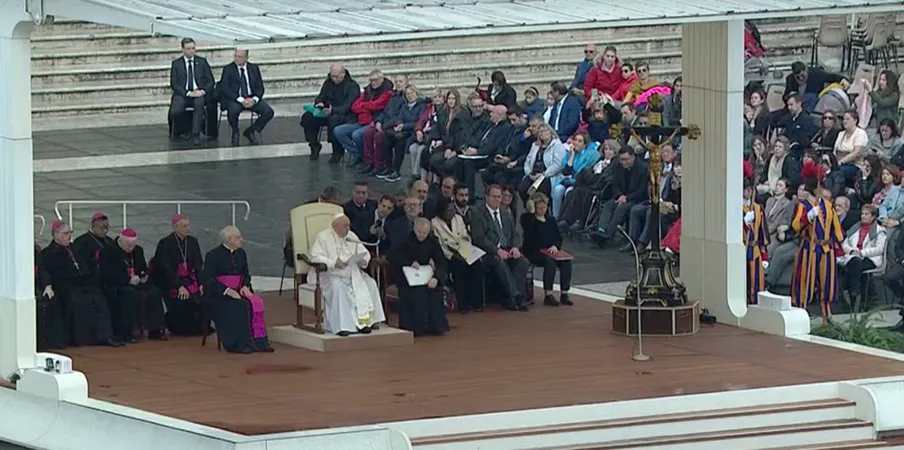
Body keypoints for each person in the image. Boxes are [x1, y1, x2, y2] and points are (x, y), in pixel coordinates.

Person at [40, 220, 121, 347]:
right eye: (65, 233)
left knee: (99, 299)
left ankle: (105, 336)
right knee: (78, 301)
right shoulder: (47, 253)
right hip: (64, 285)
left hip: (82, 283)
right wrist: (47, 285)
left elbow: (86, 265)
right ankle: (80, 338)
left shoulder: (76, 248)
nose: (69, 236)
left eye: (70, 233)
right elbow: (44, 270)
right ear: (56, 234)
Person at [308, 214, 387, 336]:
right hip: (330, 274)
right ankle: (342, 326)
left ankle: (368, 322)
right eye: (345, 226)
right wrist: (333, 262)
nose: (348, 228)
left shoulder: (350, 236)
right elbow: (314, 256)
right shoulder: (322, 237)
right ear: (335, 226)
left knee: (370, 283)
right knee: (338, 287)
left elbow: (364, 252)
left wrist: (363, 260)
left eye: (348, 225)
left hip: (352, 273)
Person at [202, 226, 273, 353]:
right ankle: (239, 344)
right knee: (239, 306)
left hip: (239, 290)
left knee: (255, 303)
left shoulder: (241, 253)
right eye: (238, 237)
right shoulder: (213, 255)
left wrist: (245, 285)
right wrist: (227, 290)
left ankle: (259, 343)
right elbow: (208, 279)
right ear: (229, 239)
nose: (242, 240)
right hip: (218, 295)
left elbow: (245, 274)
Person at [790, 173, 844, 324]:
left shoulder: (827, 205)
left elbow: (836, 229)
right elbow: (795, 226)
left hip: (826, 249)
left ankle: (827, 317)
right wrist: (807, 217)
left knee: (826, 284)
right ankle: (801, 314)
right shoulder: (802, 206)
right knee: (804, 282)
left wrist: (839, 248)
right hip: (809, 248)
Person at [99, 228, 168, 342]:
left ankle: (155, 329)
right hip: (118, 284)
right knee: (131, 294)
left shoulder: (138, 250)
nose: (131, 249)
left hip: (136, 283)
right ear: (120, 242)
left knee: (155, 292)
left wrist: (144, 276)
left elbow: (142, 268)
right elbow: (107, 274)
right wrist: (128, 280)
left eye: (133, 246)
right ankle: (129, 331)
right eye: (128, 246)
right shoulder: (109, 251)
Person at [470, 184, 530, 310]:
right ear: (486, 197)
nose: (497, 199)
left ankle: (512, 296)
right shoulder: (477, 212)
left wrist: (515, 247)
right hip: (488, 252)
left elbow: (515, 233)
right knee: (499, 262)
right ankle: (515, 296)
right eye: (494, 196)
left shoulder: (505, 212)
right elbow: (478, 238)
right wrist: (497, 250)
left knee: (523, 261)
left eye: (499, 196)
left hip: (507, 248)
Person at [388, 218, 450, 336]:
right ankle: (415, 328)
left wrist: (436, 278)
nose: (421, 235)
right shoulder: (405, 240)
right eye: (419, 232)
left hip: (425, 274)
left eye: (424, 233)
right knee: (415, 293)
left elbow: (441, 262)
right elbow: (393, 256)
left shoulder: (432, 242)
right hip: (407, 276)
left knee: (435, 291)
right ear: (414, 229)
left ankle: (434, 327)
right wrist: (408, 262)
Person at [153, 214, 206, 336]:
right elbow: (165, 268)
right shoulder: (165, 243)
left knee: (200, 297)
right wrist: (179, 286)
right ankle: (177, 327)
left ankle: (198, 327)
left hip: (189, 278)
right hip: (171, 280)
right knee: (181, 298)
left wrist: (201, 283)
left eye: (188, 226)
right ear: (175, 227)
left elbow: (198, 264)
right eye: (184, 226)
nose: (187, 229)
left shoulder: (193, 241)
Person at [432, 197, 484, 313]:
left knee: (477, 266)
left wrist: (465, 250)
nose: (452, 213)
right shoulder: (434, 223)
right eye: (449, 211)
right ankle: (463, 304)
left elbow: (465, 236)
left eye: (452, 210)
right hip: (449, 255)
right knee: (459, 267)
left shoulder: (458, 219)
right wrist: (453, 255)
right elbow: (440, 245)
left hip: (463, 250)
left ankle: (476, 302)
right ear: (441, 211)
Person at [521, 193, 573, 306]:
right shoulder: (528, 219)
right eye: (539, 208)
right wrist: (531, 212)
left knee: (566, 262)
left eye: (544, 207)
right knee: (550, 262)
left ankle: (564, 293)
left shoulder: (551, 220)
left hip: (550, 250)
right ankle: (548, 294)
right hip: (535, 251)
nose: (542, 210)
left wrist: (555, 245)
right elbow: (528, 234)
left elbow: (558, 236)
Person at [218, 48, 274, 146]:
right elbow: (225, 88)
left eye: (239, 57)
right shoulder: (228, 69)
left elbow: (260, 88)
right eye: (235, 56)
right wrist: (241, 100)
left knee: (268, 112)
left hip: (251, 98)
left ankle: (251, 130)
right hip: (235, 98)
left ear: (246, 58)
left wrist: (254, 99)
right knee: (233, 111)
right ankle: (235, 131)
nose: (236, 59)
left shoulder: (254, 68)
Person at [168, 37, 215, 146]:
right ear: (183, 50)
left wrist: (202, 91)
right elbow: (174, 84)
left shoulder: (202, 62)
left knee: (199, 104)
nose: (191, 51)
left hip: (198, 93)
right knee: (176, 110)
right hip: (184, 94)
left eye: (193, 48)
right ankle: (183, 130)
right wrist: (187, 93)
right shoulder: (176, 64)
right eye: (188, 49)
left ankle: (195, 134)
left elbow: (210, 81)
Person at [837, 204, 886, 309]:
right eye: (862, 214)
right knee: (855, 263)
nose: (863, 216)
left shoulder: (879, 231)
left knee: (853, 265)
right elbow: (844, 244)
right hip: (853, 256)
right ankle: (856, 293)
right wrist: (852, 250)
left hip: (870, 258)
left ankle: (850, 293)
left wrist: (861, 252)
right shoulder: (855, 228)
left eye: (866, 214)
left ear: (873, 217)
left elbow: (879, 249)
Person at [35, 243, 67, 351]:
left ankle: (52, 342)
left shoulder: (36, 254)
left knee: (52, 302)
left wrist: (47, 285)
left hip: (37, 287)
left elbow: (42, 270)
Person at [743, 179, 769, 305]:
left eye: (751, 189)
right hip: (742, 249)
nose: (749, 191)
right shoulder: (735, 207)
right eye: (746, 189)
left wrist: (764, 256)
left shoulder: (758, 208)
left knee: (756, 280)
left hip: (755, 249)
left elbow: (763, 233)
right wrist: (744, 222)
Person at [72, 211, 114, 277]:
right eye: (102, 227)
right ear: (93, 226)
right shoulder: (81, 242)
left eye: (107, 227)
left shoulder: (110, 241)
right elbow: (82, 264)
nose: (105, 230)